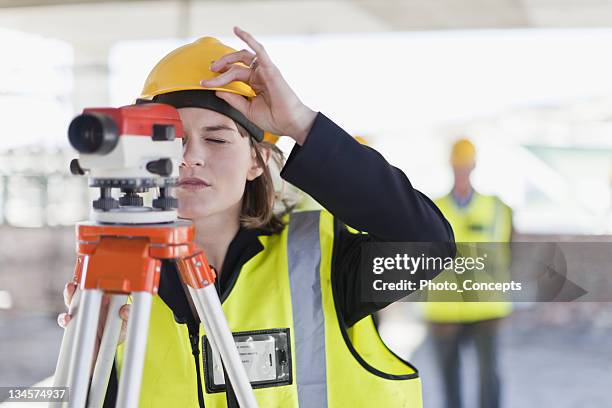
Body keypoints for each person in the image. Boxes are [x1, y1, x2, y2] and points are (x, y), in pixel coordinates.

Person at [59, 27, 454, 407]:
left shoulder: (318, 261)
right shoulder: (119, 278)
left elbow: (427, 245)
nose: (189, 157)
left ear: (257, 161)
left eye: (215, 138)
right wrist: (90, 361)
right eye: (171, 140)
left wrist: (300, 122)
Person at [423, 138, 513, 408]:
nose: (461, 170)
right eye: (457, 166)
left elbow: (511, 250)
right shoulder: (432, 207)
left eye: (465, 165)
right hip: (444, 310)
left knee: (490, 376)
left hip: (487, 307)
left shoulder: (498, 207)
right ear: (451, 166)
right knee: (449, 378)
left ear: (473, 166)